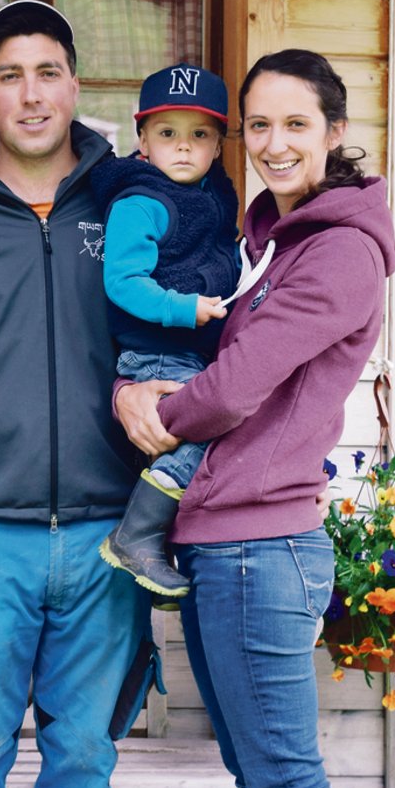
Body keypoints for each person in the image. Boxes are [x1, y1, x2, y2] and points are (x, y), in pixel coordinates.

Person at [116, 48, 395, 788]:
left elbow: (236, 385)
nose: (275, 143)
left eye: (297, 123)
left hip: (261, 545)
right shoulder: (272, 242)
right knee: (255, 771)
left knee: (280, 777)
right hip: (225, 540)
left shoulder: (338, 251)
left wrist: (149, 406)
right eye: (260, 125)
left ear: (334, 130)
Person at [0, 0, 157, 788]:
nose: (32, 94)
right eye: (12, 77)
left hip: (108, 536)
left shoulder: (132, 207)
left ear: (75, 85)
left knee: (83, 763)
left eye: (48, 73)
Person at [92, 63, 240, 599]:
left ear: (219, 145)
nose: (183, 147)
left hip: (187, 352)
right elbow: (122, 281)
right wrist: (183, 308)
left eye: (199, 135)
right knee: (201, 434)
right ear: (143, 140)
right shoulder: (140, 201)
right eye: (167, 134)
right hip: (156, 355)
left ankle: (154, 551)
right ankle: (137, 536)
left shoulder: (212, 196)